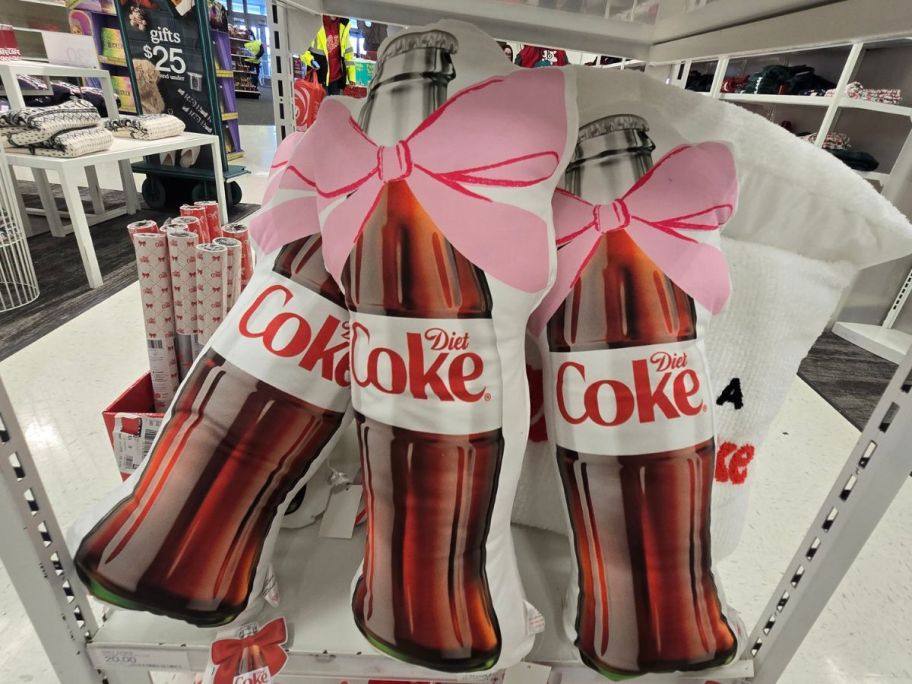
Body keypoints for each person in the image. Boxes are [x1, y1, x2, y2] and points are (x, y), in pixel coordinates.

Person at [303, 15, 355, 95]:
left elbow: (348, 52)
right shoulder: (315, 23)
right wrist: (311, 61)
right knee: (320, 106)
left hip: (337, 79)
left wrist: (351, 75)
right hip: (319, 78)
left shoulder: (343, 24)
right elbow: (302, 50)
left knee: (334, 106)